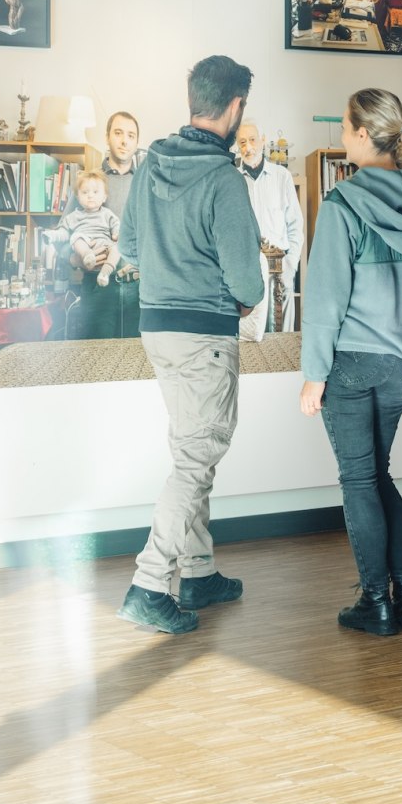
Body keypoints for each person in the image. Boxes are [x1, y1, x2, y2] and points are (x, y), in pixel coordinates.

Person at [117, 55, 265, 635]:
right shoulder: (225, 180)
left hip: (158, 330)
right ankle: (150, 583)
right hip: (204, 334)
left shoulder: (152, 164)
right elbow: (249, 285)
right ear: (234, 108)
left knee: (190, 447)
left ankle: (198, 571)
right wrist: (237, 299)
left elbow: (129, 247)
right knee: (197, 457)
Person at [300, 89, 402, 637]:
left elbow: (325, 298)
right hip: (400, 364)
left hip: (352, 363)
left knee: (359, 480)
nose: (341, 136)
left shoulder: (344, 204)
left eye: (344, 127)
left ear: (365, 135)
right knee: (377, 476)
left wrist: (314, 374)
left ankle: (375, 602)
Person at [65, 111, 146, 338]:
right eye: (118, 133)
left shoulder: (145, 183)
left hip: (138, 291)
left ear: (137, 142)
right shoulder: (90, 181)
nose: (124, 140)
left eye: (131, 135)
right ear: (107, 137)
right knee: (96, 361)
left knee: (136, 363)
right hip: (98, 288)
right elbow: (63, 234)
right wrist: (75, 258)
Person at [235, 118, 304, 335]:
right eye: (242, 142)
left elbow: (295, 227)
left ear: (263, 141)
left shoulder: (281, 177)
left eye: (253, 140)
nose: (248, 147)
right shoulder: (232, 179)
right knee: (248, 341)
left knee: (282, 341)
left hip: (280, 274)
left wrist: (290, 269)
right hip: (246, 272)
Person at [43, 170, 120, 286]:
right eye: (85, 192)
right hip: (84, 246)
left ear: (104, 197)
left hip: (104, 244)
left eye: (95, 192)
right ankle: (87, 256)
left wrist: (116, 233)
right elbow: (64, 232)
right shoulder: (74, 216)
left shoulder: (107, 214)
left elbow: (116, 224)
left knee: (117, 248)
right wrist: (52, 235)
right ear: (78, 197)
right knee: (76, 238)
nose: (90, 196)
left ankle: (105, 273)